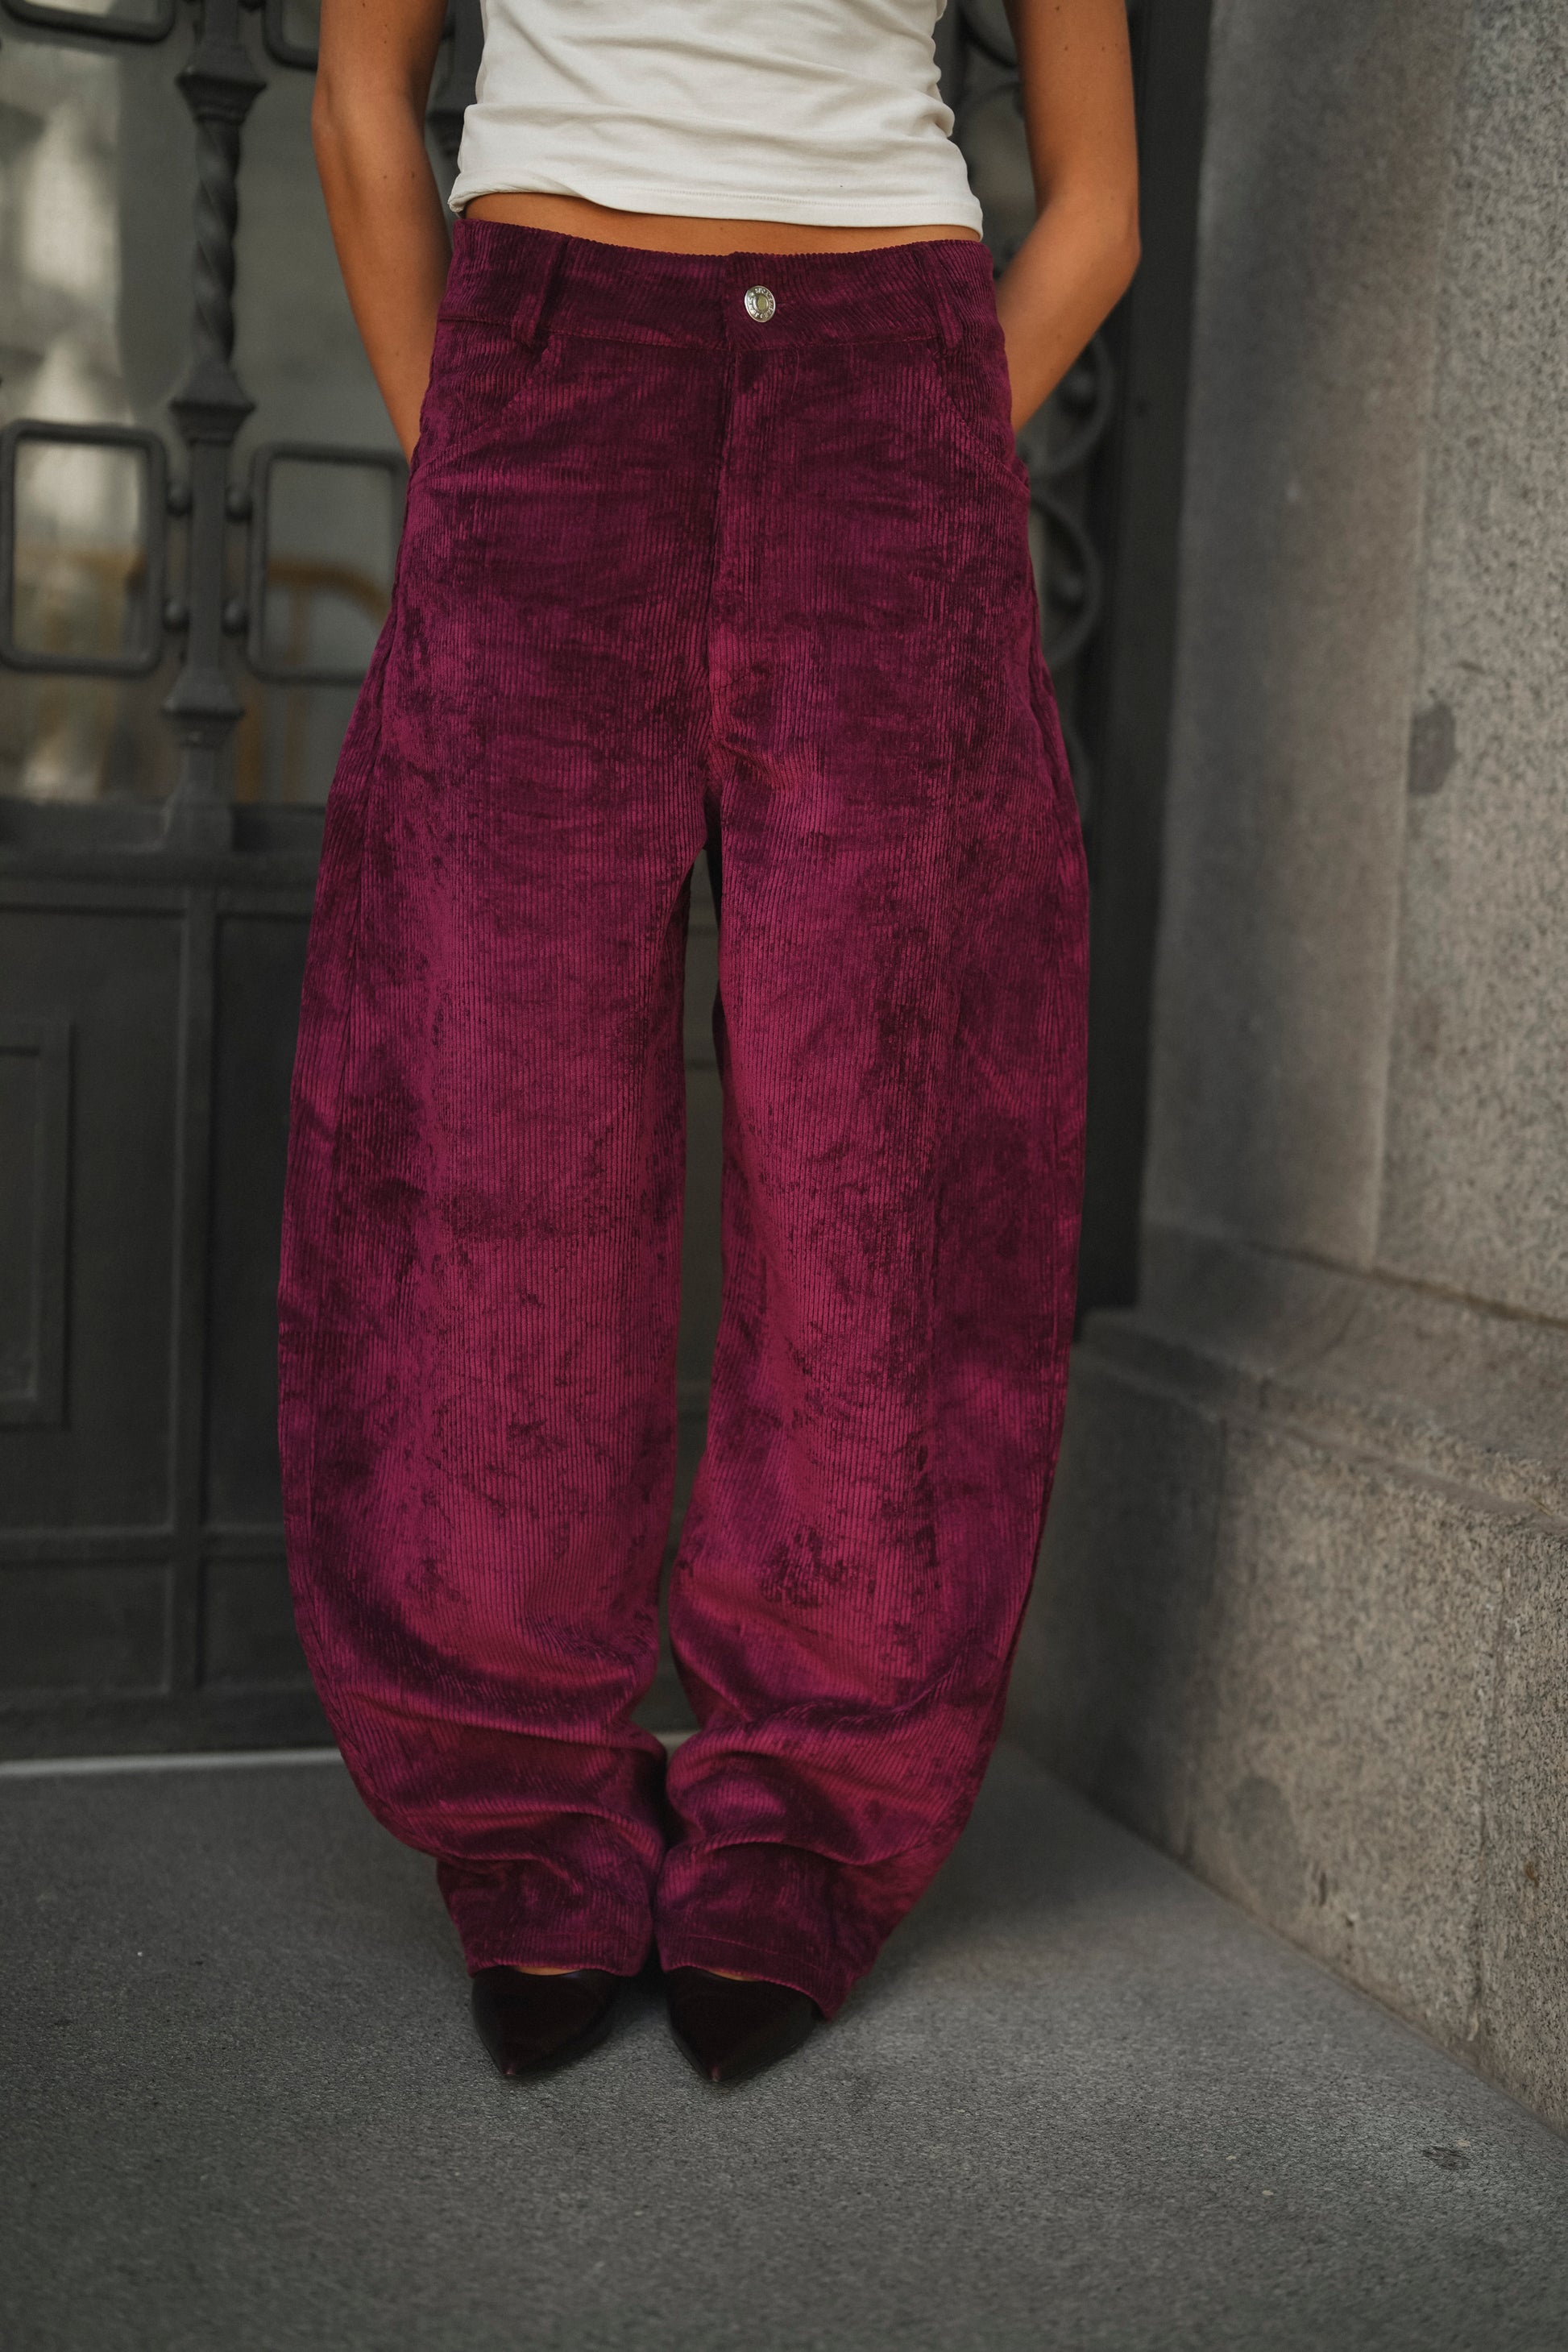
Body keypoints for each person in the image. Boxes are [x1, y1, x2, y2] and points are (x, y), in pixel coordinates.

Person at [282, 0, 1139, 2087]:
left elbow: (1099, 200)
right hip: (549, 357)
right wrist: (467, 447)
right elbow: (363, 90)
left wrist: (940, 437)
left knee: (880, 1161)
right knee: (485, 1124)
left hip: (885, 382)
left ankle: (807, 1827)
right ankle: (523, 1823)